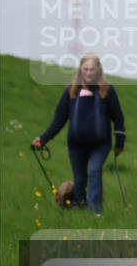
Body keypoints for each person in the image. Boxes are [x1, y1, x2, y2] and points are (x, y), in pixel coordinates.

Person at [33, 54, 126, 215]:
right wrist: (43, 139)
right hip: (76, 145)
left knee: (94, 172)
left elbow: (118, 118)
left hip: (100, 144)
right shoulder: (71, 90)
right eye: (85, 69)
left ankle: (95, 212)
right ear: (80, 70)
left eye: (92, 69)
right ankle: (79, 209)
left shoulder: (107, 90)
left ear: (98, 70)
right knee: (80, 180)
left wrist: (120, 143)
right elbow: (59, 120)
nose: (88, 73)